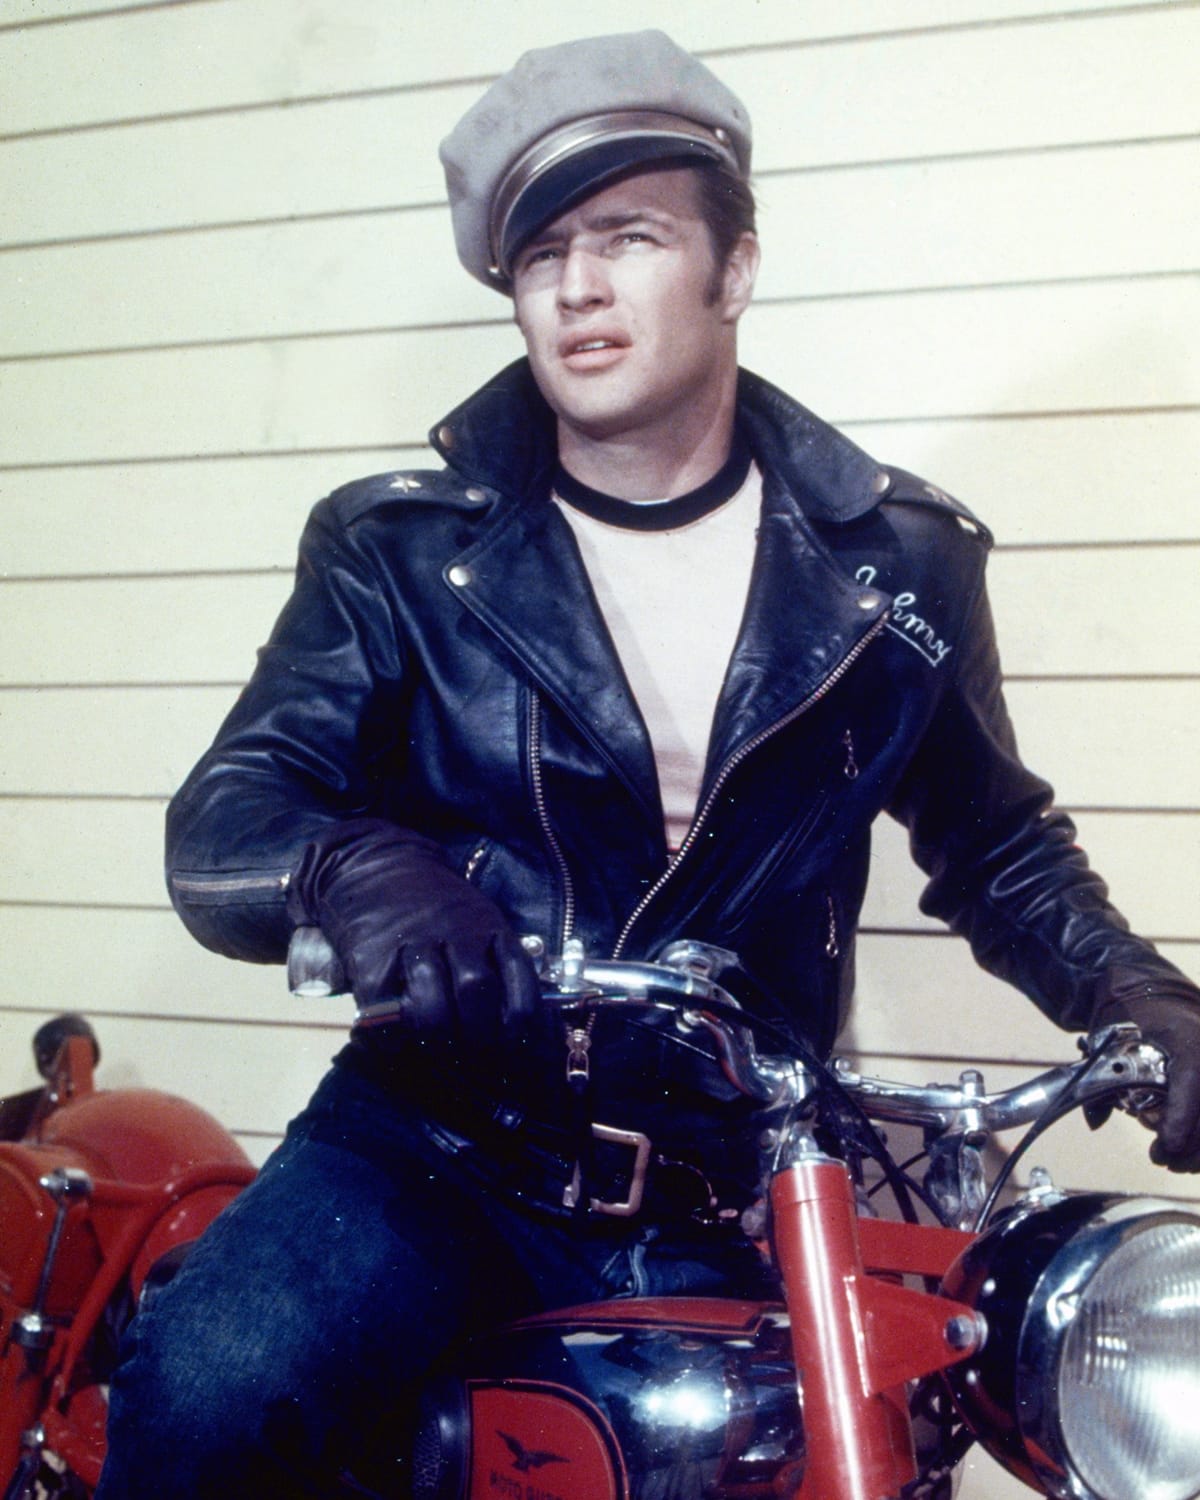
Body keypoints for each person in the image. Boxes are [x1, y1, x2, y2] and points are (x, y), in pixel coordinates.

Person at [97, 30, 1200, 1499]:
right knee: (210, 1384)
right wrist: (354, 865)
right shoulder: (404, 551)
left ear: (734, 268)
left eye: (631, 236)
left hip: (737, 1168)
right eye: (542, 250)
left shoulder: (898, 566)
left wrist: (1138, 995)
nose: (579, 286)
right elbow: (229, 818)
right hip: (435, 1149)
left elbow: (994, 843)